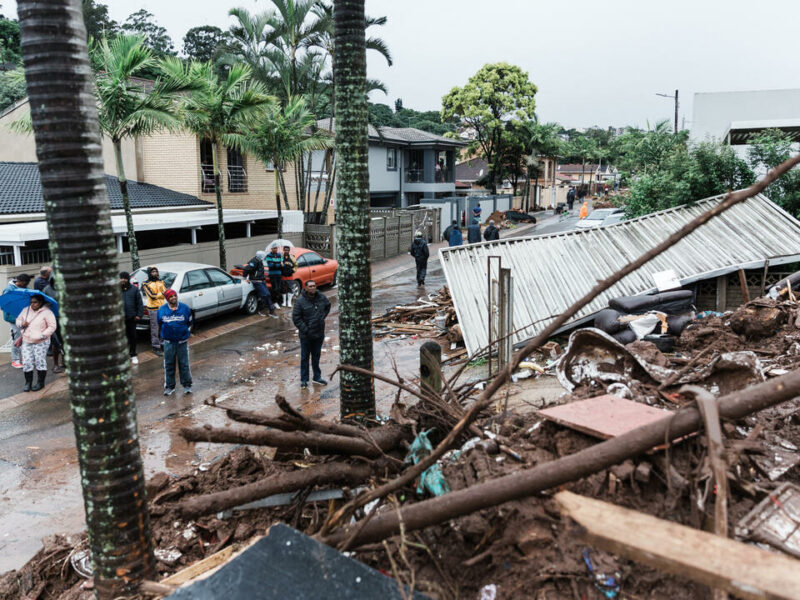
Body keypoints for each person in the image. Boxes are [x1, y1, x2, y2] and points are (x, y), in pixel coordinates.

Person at [292, 280, 331, 389]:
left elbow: (328, 305)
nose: (313, 288)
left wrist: (322, 317)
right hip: (306, 336)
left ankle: (317, 377)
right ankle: (304, 380)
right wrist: (306, 329)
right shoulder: (300, 301)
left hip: (319, 333)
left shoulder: (321, 297)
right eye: (310, 286)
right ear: (306, 288)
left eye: (314, 286)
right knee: (305, 357)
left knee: (316, 356)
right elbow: (296, 318)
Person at [16, 292, 57, 392]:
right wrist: (21, 323)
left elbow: (52, 326)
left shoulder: (47, 312)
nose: (32, 304)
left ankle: (40, 383)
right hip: (26, 340)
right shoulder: (25, 310)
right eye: (31, 302)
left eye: (35, 302)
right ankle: (28, 383)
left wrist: (42, 335)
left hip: (41, 342)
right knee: (27, 362)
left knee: (40, 361)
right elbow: (17, 321)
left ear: (41, 302)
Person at [157, 289, 193, 396]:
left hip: (182, 342)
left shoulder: (185, 308)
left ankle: (187, 385)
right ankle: (169, 386)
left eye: (174, 296)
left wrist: (184, 333)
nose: (173, 298)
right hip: (168, 342)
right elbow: (160, 323)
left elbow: (190, 322)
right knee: (169, 365)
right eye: (170, 297)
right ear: (167, 299)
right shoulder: (162, 310)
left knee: (184, 364)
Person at [3, 273, 31, 369]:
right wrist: (13, 319)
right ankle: (15, 360)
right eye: (26, 283)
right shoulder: (9, 290)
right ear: (21, 282)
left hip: (23, 317)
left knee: (24, 338)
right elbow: (6, 306)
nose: (26, 285)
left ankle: (24, 358)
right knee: (17, 338)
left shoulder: (24, 287)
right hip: (14, 318)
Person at [40, 273, 65, 373]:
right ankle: (55, 364)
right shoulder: (47, 289)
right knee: (56, 343)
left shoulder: (64, 288)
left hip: (64, 317)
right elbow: (42, 303)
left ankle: (64, 361)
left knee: (65, 342)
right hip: (53, 319)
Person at [142, 266, 166, 356]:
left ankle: (163, 344)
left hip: (162, 307)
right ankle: (155, 346)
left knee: (163, 326)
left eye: (156, 271)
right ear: (149, 273)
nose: (155, 273)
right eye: (153, 272)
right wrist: (161, 294)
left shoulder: (161, 282)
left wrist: (160, 294)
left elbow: (166, 293)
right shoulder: (146, 283)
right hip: (153, 309)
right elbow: (152, 296)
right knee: (155, 329)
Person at [242, 250, 275, 316]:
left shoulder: (260, 261)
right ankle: (260, 310)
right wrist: (245, 278)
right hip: (256, 281)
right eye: (263, 256)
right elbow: (247, 269)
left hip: (261, 280)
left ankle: (271, 309)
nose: (264, 257)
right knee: (264, 295)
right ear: (260, 256)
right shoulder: (254, 261)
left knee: (268, 294)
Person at [120, 271, 143, 365]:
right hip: (120, 319)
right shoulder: (116, 290)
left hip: (131, 318)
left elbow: (139, 303)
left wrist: (139, 315)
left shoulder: (134, 289)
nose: (123, 280)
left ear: (128, 279)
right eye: (121, 278)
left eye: (125, 278)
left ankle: (133, 354)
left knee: (132, 337)